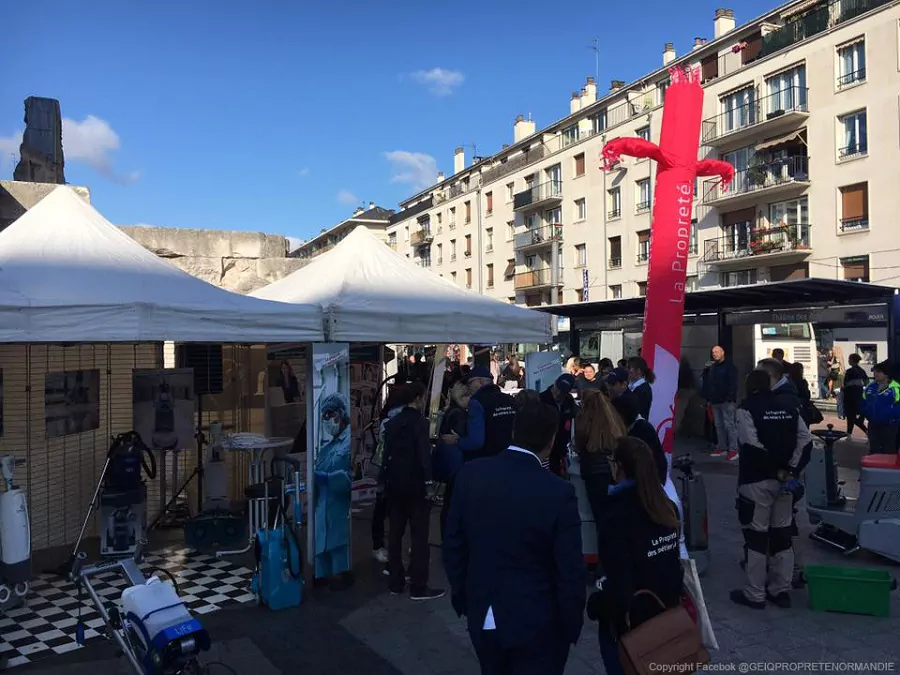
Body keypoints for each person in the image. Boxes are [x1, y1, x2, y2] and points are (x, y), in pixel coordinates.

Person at [443, 402, 586, 675]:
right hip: (538, 623)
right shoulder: (558, 492)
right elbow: (570, 571)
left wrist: (465, 594)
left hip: (484, 611)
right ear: (551, 440)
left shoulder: (471, 474)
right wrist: (570, 625)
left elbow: (453, 544)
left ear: (513, 432)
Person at [586, 437, 683, 675]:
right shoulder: (666, 505)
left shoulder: (616, 516)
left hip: (632, 626)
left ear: (618, 466)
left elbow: (620, 588)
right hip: (666, 612)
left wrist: (596, 605)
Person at [731, 369, 813, 610]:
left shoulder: (746, 408)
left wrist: (775, 469)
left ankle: (755, 593)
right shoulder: (790, 405)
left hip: (756, 481)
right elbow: (805, 440)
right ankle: (780, 590)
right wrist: (790, 470)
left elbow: (752, 446)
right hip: (786, 483)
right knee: (782, 535)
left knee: (756, 537)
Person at [381, 383, 444, 601]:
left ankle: (396, 582)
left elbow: (385, 455)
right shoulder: (420, 423)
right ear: (417, 398)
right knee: (419, 537)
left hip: (394, 486)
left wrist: (382, 482)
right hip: (416, 487)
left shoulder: (392, 423)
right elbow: (424, 455)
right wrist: (428, 483)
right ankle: (418, 585)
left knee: (395, 534)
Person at [313, 392, 353, 590]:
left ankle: (342, 574)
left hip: (339, 508)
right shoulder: (326, 449)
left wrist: (329, 479)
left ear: (341, 414)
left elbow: (351, 479)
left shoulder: (349, 443)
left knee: (338, 545)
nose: (327, 420)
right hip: (322, 509)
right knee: (321, 545)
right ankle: (320, 575)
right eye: (324, 416)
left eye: (330, 415)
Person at [574, 390, 627, 526]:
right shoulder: (614, 418)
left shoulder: (585, 419)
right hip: (614, 470)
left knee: (599, 517)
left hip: (594, 472)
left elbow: (579, 445)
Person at [442, 367, 517, 462]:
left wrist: (457, 441)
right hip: (511, 458)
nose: (468, 388)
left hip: (488, 461)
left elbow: (476, 441)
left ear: (479, 382)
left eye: (469, 383)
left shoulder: (477, 402)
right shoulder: (510, 400)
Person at [371, 389, 406, 567]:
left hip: (385, 469)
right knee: (384, 509)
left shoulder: (387, 418)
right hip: (389, 470)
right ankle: (380, 546)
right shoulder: (393, 420)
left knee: (382, 508)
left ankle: (379, 545)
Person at [435, 382, 470, 538]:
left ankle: (447, 535)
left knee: (449, 500)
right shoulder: (459, 414)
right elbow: (462, 435)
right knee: (453, 502)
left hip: (449, 462)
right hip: (456, 462)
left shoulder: (451, 411)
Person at [611, 394, 667, 484]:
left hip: (650, 481)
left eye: (613, 414)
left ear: (622, 414)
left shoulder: (642, 430)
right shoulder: (630, 427)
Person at [702, 345, 739, 461]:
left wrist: (729, 397)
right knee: (719, 425)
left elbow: (733, 383)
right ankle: (722, 446)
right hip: (715, 400)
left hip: (725, 400)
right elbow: (709, 383)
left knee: (729, 425)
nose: (715, 354)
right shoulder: (712, 368)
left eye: (717, 352)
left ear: (723, 352)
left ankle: (733, 449)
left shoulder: (729, 367)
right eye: (713, 352)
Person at [540, 374, 578, 477]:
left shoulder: (569, 401)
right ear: (555, 384)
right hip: (545, 450)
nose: (558, 393)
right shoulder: (542, 399)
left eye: (563, 391)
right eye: (558, 388)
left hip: (561, 449)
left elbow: (574, 417)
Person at [861, 361, 900, 454]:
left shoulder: (895, 388)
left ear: (886, 374)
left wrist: (890, 416)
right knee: (874, 450)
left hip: (889, 426)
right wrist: (866, 412)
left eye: (878, 372)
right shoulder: (870, 387)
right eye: (874, 371)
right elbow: (863, 401)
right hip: (873, 425)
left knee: (889, 450)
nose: (875, 374)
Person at [842, 354, 869, 437]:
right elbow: (866, 381)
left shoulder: (850, 371)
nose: (848, 361)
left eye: (849, 359)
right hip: (858, 395)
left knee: (851, 416)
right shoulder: (861, 371)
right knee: (852, 416)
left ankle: (865, 431)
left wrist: (843, 388)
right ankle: (849, 432)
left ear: (852, 360)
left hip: (849, 396)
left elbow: (846, 384)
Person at [626, 356, 655, 421]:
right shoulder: (634, 386)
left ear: (638, 371)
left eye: (629, 368)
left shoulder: (642, 390)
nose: (627, 371)